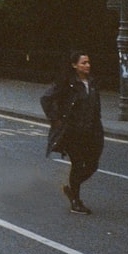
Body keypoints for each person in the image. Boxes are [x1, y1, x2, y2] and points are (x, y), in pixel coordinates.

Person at [41, 52, 104, 215]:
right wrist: (56, 119)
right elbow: (45, 98)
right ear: (74, 65)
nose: (87, 65)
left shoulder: (93, 82)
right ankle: (76, 201)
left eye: (88, 62)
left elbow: (95, 107)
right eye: (83, 63)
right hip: (73, 132)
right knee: (78, 163)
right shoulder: (67, 84)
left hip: (92, 131)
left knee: (92, 165)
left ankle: (71, 188)